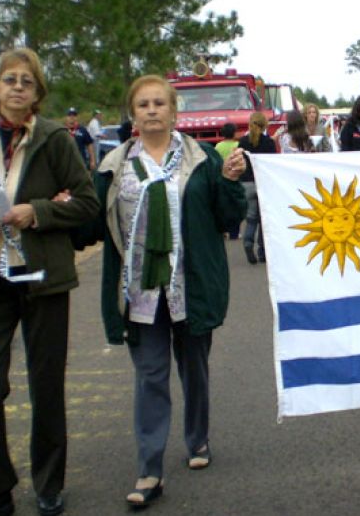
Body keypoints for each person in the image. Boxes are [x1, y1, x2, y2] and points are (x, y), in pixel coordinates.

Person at [82, 74, 246, 509]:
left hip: (189, 287)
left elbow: (228, 217)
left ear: (174, 112)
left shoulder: (203, 159)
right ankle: (149, 468)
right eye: (143, 105)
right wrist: (66, 207)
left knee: (194, 368)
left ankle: (197, 440)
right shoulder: (112, 166)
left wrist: (230, 181)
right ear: (133, 115)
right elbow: (92, 224)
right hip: (138, 291)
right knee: (150, 376)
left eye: (159, 103)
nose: (152, 110)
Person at [0, 47, 99, 516]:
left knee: (46, 384)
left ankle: (49, 485)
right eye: (10, 80)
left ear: (37, 94)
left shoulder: (54, 139)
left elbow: (87, 201)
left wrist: (39, 211)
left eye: (27, 82)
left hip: (44, 279)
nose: (17, 87)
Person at [239, 111, 277, 264]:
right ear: (265, 125)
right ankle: (263, 251)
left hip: (247, 182)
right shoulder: (269, 143)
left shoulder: (242, 142)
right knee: (264, 220)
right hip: (263, 182)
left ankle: (248, 242)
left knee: (251, 219)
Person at [65, 107, 96, 171]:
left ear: (76, 117)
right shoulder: (63, 130)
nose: (72, 117)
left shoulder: (82, 130)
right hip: (67, 163)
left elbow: (89, 145)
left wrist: (92, 161)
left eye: (74, 115)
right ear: (66, 117)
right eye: (69, 115)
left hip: (81, 162)